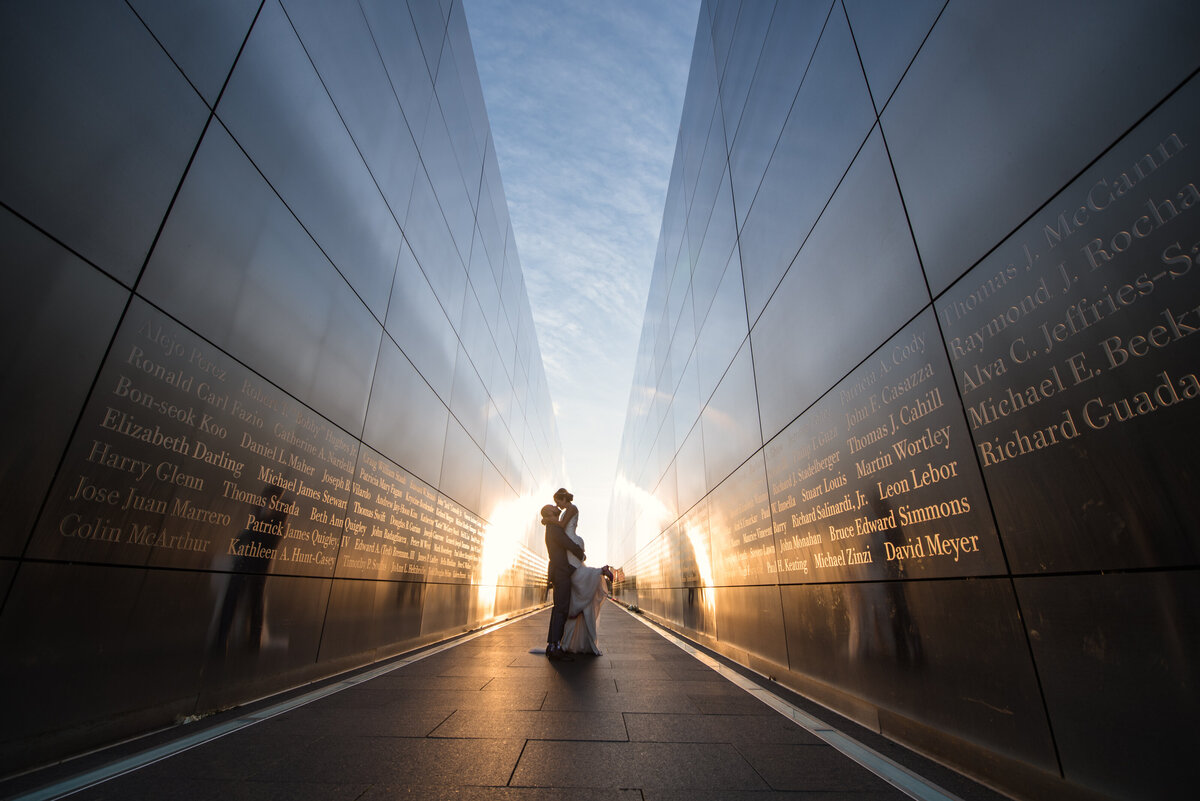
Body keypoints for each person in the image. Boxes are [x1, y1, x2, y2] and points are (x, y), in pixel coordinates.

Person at [552, 488, 614, 655]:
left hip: (571, 543)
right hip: (569, 544)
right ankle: (570, 638)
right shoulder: (567, 510)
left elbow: (563, 526)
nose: (556, 504)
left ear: (562, 498)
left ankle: (601, 571)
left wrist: (548, 520)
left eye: (557, 501)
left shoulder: (571, 508)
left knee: (577, 576)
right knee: (576, 581)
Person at [543, 496, 584, 661]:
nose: (555, 506)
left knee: (558, 608)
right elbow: (566, 542)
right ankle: (555, 647)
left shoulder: (551, 527)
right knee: (561, 609)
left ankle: (552, 645)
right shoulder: (554, 528)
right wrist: (580, 552)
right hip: (561, 572)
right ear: (549, 513)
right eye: (552, 507)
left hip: (557, 571)